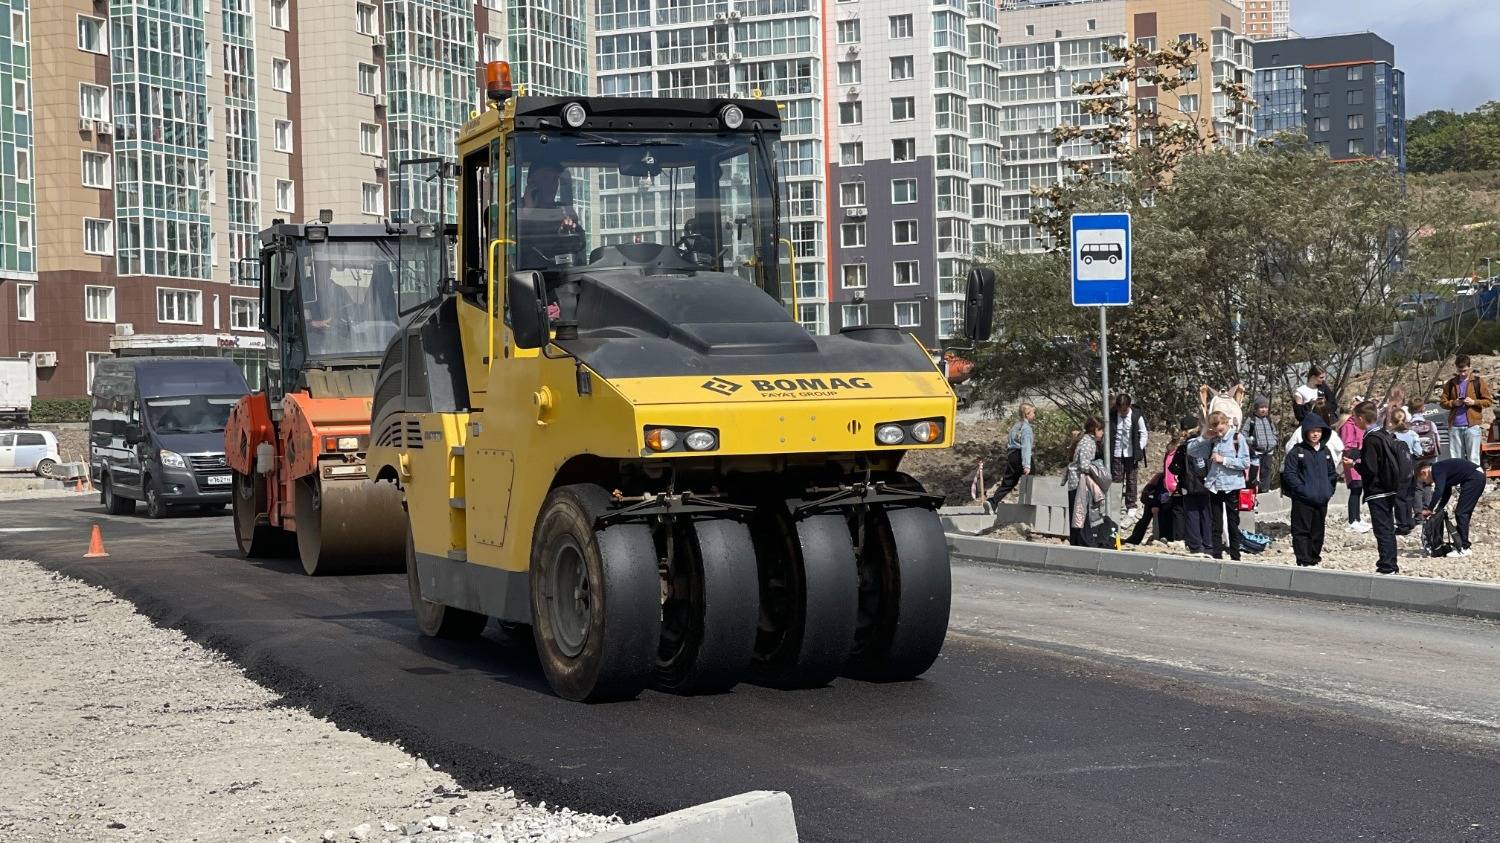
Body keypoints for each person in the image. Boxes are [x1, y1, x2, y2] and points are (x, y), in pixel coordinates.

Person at [1353, 402, 1408, 575]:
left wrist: (1354, 465)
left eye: (1355, 418)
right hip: (1391, 487)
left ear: (1361, 418)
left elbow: (1370, 469)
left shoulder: (1370, 438)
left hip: (1378, 491)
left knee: (1382, 529)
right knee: (1389, 528)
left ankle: (1387, 565)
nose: (1354, 421)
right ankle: (1391, 564)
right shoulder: (1384, 434)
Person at [1187, 410, 1250, 561]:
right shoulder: (1213, 440)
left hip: (1232, 486)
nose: (1217, 430)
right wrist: (1203, 437)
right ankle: (1217, 555)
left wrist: (1224, 460)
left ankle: (1235, 556)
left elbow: (1245, 462)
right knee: (1216, 523)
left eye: (1220, 427)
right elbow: (1191, 450)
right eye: (1214, 427)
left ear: (1226, 423)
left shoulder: (1237, 438)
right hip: (1215, 486)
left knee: (1232, 523)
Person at [1281, 412, 1338, 567]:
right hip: (1303, 500)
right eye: (1312, 431)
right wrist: (1301, 490)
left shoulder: (1325, 452)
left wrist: (1329, 490)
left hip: (1321, 499)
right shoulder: (1296, 451)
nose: (1315, 434)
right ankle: (1303, 559)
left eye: (1318, 431)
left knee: (1318, 531)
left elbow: (1332, 473)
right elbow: (1289, 474)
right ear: (1306, 431)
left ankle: (1314, 558)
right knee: (1301, 531)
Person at [1419, 459, 1486, 556]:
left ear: (1424, 473)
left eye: (1423, 481)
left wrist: (1429, 509)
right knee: (1464, 513)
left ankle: (1463, 548)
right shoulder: (1441, 470)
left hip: (1474, 478)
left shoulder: (1436, 469)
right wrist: (1437, 510)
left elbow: (1439, 490)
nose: (1426, 484)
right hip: (1475, 477)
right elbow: (1447, 493)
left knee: (1461, 513)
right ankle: (1461, 544)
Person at [1440, 355, 1492, 466]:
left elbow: (1488, 401)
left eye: (1464, 370)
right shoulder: (1451, 383)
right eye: (1460, 371)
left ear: (1469, 367)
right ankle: (1458, 482)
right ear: (1456, 368)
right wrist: (1454, 403)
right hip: (1455, 426)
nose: (1462, 373)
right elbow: (1442, 403)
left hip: (1472, 426)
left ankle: (1474, 482)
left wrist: (1474, 402)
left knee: (1473, 458)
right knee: (1456, 459)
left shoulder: (1478, 382)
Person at [1065, 418, 1107, 547]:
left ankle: (1077, 541)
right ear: (1095, 430)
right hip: (1080, 482)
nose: (1103, 433)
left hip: (1076, 482)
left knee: (1077, 512)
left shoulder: (1086, 441)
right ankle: (1084, 541)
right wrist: (1098, 470)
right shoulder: (1088, 443)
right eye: (1101, 430)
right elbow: (1084, 465)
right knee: (1081, 512)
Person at [1109, 394, 1149, 517]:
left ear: (1129, 406)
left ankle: (1131, 504)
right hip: (1116, 453)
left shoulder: (1136, 416)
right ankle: (1115, 504)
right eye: (1120, 410)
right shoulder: (1112, 415)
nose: (1122, 412)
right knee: (1116, 479)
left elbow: (1144, 434)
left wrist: (1139, 448)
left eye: (1125, 410)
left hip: (1131, 453)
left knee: (1131, 479)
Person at [989, 403, 1035, 507]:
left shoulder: (1015, 426)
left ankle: (992, 502)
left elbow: (1010, 442)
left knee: (1009, 482)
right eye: (1033, 413)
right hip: (1020, 455)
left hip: (1012, 455)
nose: (1034, 415)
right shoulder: (1027, 428)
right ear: (1027, 414)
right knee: (1031, 480)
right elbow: (1026, 447)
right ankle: (1028, 505)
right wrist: (1027, 465)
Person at [1337, 403, 1373, 533]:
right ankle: (1353, 520)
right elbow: (1347, 444)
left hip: (1359, 458)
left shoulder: (1358, 424)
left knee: (1359, 489)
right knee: (1355, 488)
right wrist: (1358, 450)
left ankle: (1357, 518)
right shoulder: (1348, 425)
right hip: (1351, 458)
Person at [1386, 407, 1420, 534]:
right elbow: (1419, 452)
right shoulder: (1412, 434)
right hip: (1412, 465)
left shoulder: (1391, 436)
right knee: (1410, 495)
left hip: (1398, 467)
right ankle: (1410, 520)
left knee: (1399, 497)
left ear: (1392, 421)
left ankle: (1402, 525)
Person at [1244, 396, 1278, 493]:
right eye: (1261, 407)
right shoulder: (1251, 419)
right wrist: (1252, 442)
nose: (1264, 409)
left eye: (1266, 407)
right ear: (1256, 408)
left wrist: (1274, 441)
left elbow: (1274, 432)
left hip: (1269, 451)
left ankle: (1265, 491)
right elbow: (1244, 434)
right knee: (1255, 473)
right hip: (1256, 452)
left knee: (1266, 472)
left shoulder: (1268, 419)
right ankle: (1254, 492)